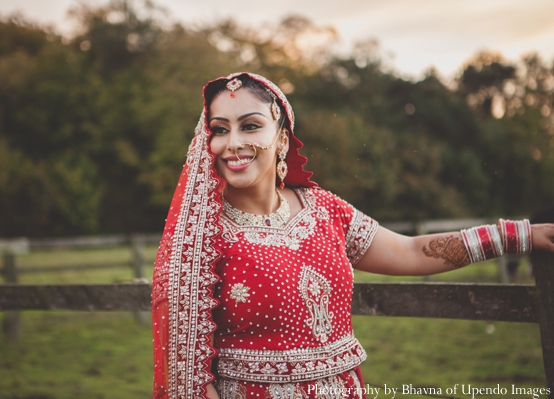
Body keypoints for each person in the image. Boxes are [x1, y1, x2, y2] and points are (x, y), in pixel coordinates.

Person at [151, 72, 554, 399]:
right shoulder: (199, 236)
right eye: (220, 130)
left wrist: (520, 236)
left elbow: (412, 251)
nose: (233, 143)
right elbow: (186, 373)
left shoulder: (324, 209)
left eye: (251, 126)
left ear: (282, 141)